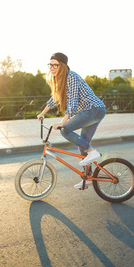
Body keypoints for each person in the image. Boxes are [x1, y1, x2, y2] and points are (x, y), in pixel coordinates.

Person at [37, 52, 106, 189]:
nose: (52, 68)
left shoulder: (71, 76)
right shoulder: (61, 80)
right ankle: (89, 177)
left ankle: (92, 152)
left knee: (66, 131)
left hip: (93, 109)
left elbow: (73, 103)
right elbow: (55, 98)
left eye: (55, 65)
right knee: (82, 145)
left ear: (63, 66)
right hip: (92, 111)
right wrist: (43, 113)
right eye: (50, 65)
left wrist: (62, 124)